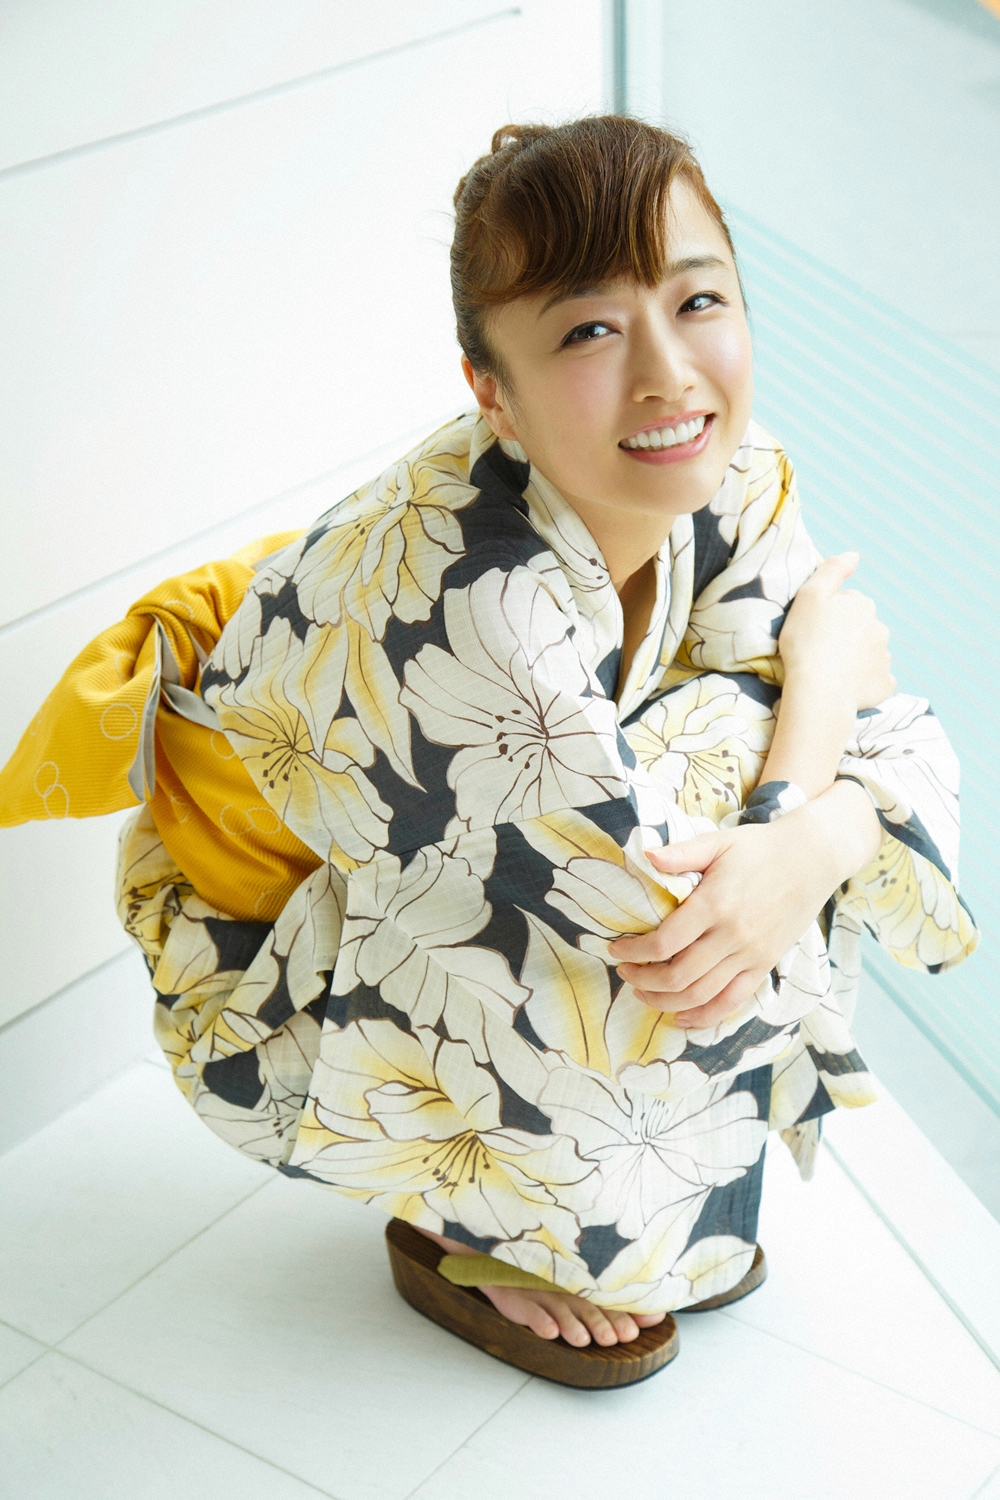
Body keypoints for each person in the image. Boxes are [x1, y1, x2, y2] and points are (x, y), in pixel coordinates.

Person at [0, 116, 977, 1373]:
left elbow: (845, 774)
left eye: (697, 301)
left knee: (733, 761)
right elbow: (688, 925)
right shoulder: (473, 607)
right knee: (717, 796)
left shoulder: (724, 464)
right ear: (490, 394)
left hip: (443, 893)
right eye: (587, 331)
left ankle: (609, 1209)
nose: (668, 374)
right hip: (280, 998)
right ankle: (470, 1217)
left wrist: (813, 813)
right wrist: (821, 719)